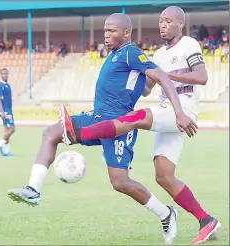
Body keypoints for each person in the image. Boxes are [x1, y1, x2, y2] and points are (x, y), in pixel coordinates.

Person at [7, 13, 196, 244]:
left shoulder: (131, 53)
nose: (106, 35)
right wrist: (142, 83)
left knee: (120, 182)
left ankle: (166, 214)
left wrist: (178, 112)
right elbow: (145, 89)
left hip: (118, 126)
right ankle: (33, 190)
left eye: (112, 31)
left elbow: (163, 79)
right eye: (105, 31)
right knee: (51, 133)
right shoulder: (116, 55)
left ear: (126, 33)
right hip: (96, 118)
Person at [60, 7, 221, 245]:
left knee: (137, 117)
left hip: (182, 110)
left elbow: (201, 77)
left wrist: (168, 77)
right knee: (164, 176)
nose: (163, 25)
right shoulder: (156, 55)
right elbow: (146, 89)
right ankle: (207, 221)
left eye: (168, 21)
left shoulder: (189, 44)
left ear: (181, 23)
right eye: (160, 21)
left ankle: (79, 132)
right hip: (169, 114)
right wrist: (133, 76)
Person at [0, 68, 15, 156]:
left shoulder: (8, 85)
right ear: (1, 75)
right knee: (12, 129)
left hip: (9, 110)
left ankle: (6, 152)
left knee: (7, 130)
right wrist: (3, 112)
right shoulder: (0, 85)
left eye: (6, 73)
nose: (5, 75)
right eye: (3, 74)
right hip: (5, 111)